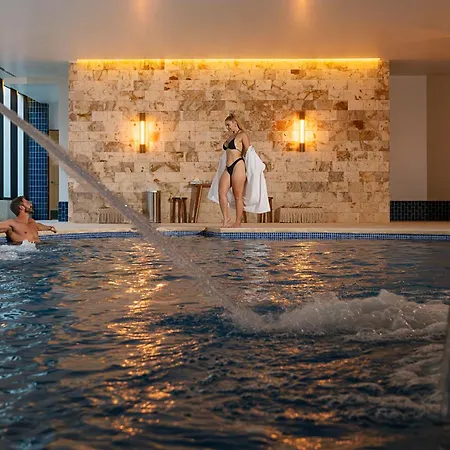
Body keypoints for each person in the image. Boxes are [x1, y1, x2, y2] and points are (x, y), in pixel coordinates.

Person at [208, 113, 270, 227]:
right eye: (226, 125)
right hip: (228, 167)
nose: (227, 127)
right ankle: (226, 219)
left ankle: (238, 222)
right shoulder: (230, 137)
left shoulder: (243, 135)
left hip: (238, 165)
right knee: (221, 192)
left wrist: (253, 167)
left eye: (228, 125)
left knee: (238, 195)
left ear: (235, 123)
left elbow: (249, 152)